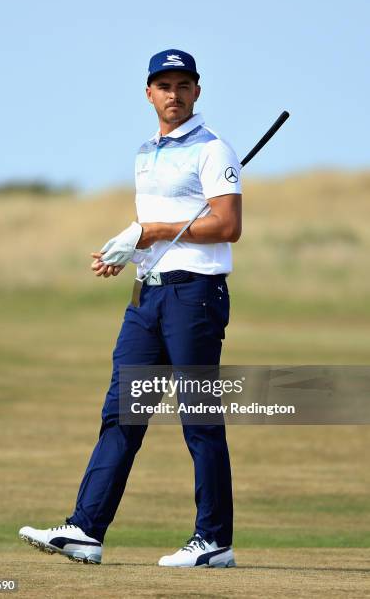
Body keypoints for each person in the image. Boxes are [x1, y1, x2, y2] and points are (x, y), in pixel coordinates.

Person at [19, 49, 242, 568]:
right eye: (163, 85)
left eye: (183, 85)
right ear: (148, 93)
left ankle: (214, 541)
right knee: (121, 414)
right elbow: (160, 224)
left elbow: (228, 226)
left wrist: (153, 231)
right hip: (149, 296)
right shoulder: (146, 152)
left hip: (195, 296)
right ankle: (85, 530)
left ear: (197, 91)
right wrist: (134, 251)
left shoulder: (214, 149)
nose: (174, 94)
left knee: (199, 421)